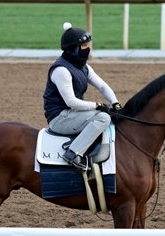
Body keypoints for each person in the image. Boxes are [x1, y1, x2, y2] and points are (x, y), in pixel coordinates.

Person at [43, 22, 122, 170]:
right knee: (103, 117)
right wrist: (97, 105)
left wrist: (115, 102)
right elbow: (71, 102)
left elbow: (102, 86)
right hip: (59, 118)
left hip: (73, 114)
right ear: (73, 49)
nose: (88, 49)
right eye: (84, 46)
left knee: (109, 114)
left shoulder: (84, 67)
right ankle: (73, 153)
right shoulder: (61, 70)